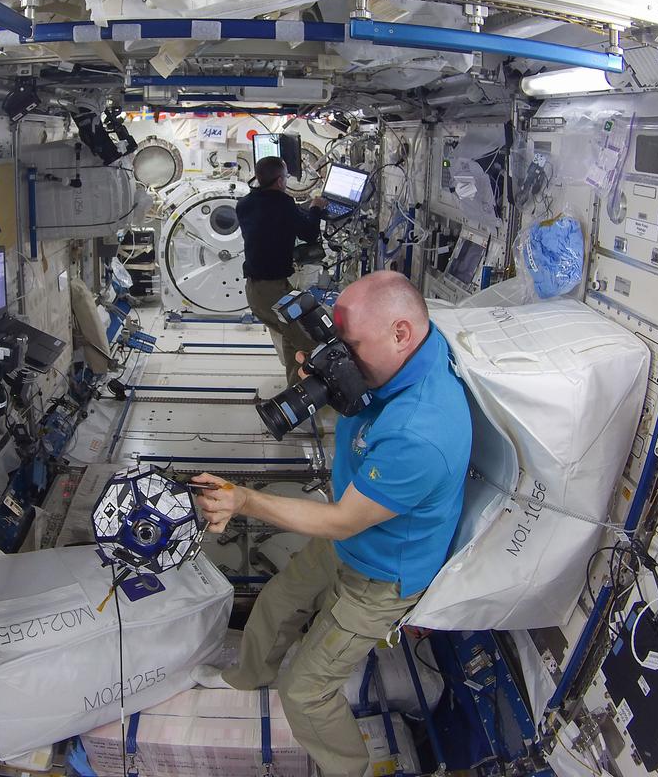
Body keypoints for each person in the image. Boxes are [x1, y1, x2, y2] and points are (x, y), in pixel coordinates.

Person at [193, 271, 471, 777]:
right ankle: (248, 677)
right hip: (357, 534)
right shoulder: (391, 361)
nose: (339, 358)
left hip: (382, 572)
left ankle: (351, 769)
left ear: (400, 333)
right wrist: (326, 382)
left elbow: (342, 522)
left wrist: (245, 500)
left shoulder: (422, 430)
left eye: (350, 346)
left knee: (306, 691)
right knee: (278, 603)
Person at [236, 155, 327, 381]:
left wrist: (299, 212)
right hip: (271, 293)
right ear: (279, 182)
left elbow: (271, 220)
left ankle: (295, 389)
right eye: (285, 177)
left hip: (259, 291)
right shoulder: (283, 204)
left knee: (290, 338)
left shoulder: (244, 204)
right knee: (310, 344)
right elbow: (309, 233)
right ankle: (312, 398)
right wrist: (315, 208)